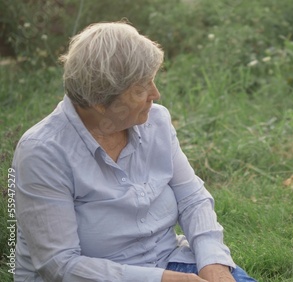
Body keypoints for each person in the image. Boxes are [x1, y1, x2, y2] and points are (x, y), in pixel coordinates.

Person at [12, 21, 256, 282]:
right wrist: (161, 280)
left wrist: (213, 263)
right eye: (141, 89)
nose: (156, 94)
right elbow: (59, 265)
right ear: (101, 102)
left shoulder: (156, 122)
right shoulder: (43, 153)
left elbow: (192, 198)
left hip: (171, 261)